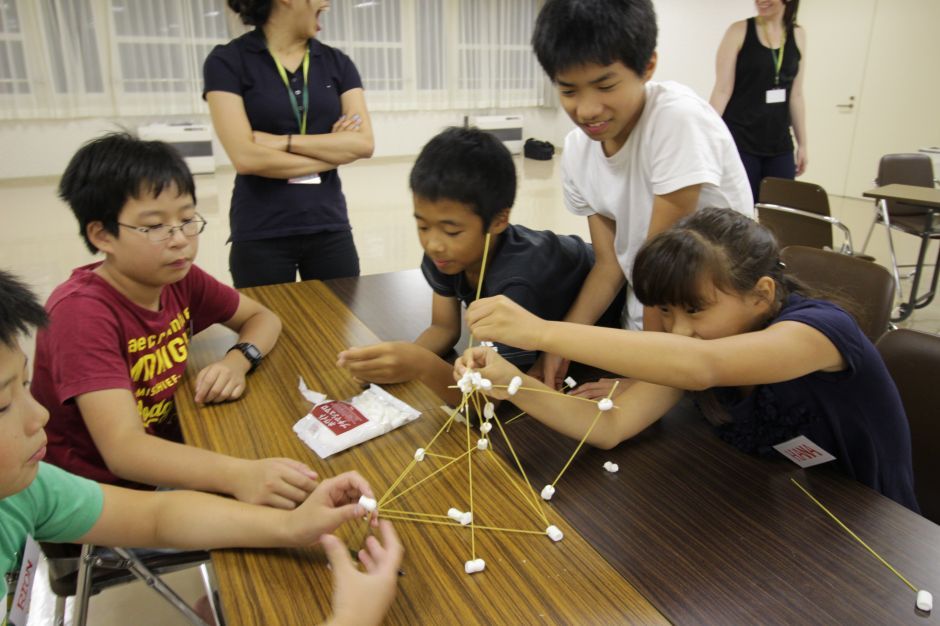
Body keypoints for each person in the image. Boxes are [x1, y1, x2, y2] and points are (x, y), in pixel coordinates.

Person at [0, 270, 402, 625]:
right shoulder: (83, 312)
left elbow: (157, 517)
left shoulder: (24, 491)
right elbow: (127, 457)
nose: (40, 416)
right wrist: (352, 617)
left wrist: (290, 527)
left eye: (25, 384)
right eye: (3, 404)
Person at [458, 208, 918, 511]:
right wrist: (512, 380)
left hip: (871, 523)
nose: (677, 329)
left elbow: (703, 363)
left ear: (761, 295)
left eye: (695, 309)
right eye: (664, 310)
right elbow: (610, 426)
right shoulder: (694, 350)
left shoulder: (821, 332)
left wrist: (540, 331)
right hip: (779, 510)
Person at [31, 132, 315, 510]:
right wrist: (239, 475)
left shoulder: (177, 277)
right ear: (102, 235)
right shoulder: (81, 313)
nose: (180, 239)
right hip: (103, 495)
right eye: (154, 226)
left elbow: (263, 318)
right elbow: (124, 452)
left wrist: (238, 360)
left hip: (166, 449)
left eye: (186, 219)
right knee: (285, 510)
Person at [529, 0, 753, 397]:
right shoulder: (578, 152)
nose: (587, 109)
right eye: (568, 90)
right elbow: (610, 264)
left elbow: (660, 268)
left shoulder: (675, 121)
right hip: (650, 326)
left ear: (648, 66)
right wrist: (557, 344)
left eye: (606, 85)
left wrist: (645, 373)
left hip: (714, 332)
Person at [336, 127, 599, 405]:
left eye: (451, 231)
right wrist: (396, 364)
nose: (434, 243)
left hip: (612, 313)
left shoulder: (517, 283)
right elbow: (443, 328)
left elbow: (491, 397)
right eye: (423, 225)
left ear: (498, 220)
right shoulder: (446, 253)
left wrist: (419, 363)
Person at [204, 0, 374, 288]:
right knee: (267, 327)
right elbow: (246, 158)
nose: (327, 3)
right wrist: (334, 151)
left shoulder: (337, 63)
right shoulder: (228, 61)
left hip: (329, 224)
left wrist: (281, 142)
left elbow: (363, 144)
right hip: (260, 230)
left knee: (338, 327)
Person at [709, 0, 807, 201]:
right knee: (740, 212)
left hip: (779, 143)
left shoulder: (798, 35)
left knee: (779, 213)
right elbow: (722, 90)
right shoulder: (738, 31)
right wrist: (707, 137)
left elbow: (796, 95)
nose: (761, 2)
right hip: (741, 140)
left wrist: (803, 144)